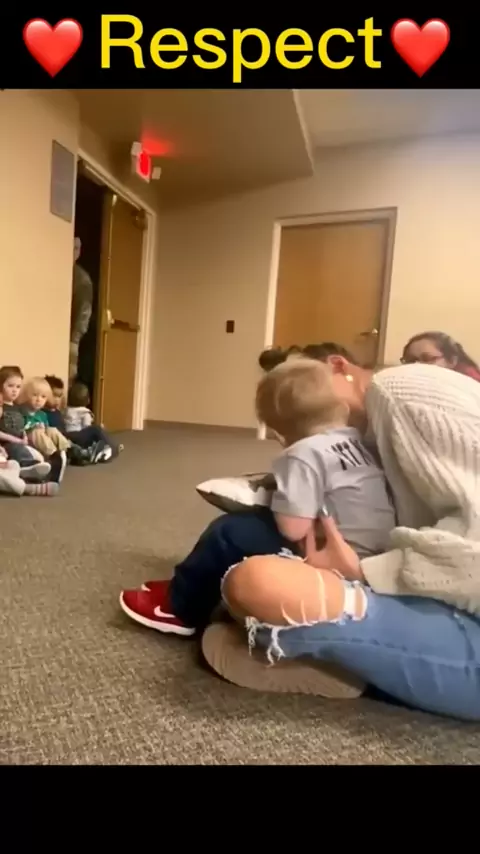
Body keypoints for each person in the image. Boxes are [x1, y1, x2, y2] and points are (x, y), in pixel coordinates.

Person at [198, 355, 480, 722]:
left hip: (458, 604)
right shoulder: (366, 433)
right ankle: (346, 650)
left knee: (256, 582)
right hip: (430, 585)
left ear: (338, 367)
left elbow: (294, 527)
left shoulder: (398, 396)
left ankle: (325, 652)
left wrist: (368, 571)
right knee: (254, 557)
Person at [119, 358, 395, 637]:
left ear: (278, 434)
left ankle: (179, 608)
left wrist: (274, 499)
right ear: (343, 409)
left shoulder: (301, 454)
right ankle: (190, 585)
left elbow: (293, 528)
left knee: (229, 532)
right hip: (375, 556)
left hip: (333, 557)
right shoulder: (357, 441)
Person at [0, 366, 51, 481]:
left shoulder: (18, 407)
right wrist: (17, 440)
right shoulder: (1, 407)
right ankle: (27, 467)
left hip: (21, 443)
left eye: (18, 387)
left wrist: (26, 434)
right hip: (7, 444)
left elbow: (22, 426)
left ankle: (39, 469)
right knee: (17, 449)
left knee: (38, 457)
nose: (15, 390)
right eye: (10, 386)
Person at [21, 378, 70, 472]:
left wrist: (43, 428)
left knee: (52, 430)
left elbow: (46, 430)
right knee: (37, 432)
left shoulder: (42, 414)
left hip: (42, 440)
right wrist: (34, 427)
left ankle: (67, 448)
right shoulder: (22, 411)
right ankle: (53, 455)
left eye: (43, 397)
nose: (38, 400)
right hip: (29, 439)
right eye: (35, 395)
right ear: (27, 395)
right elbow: (21, 429)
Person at [65, 382, 121, 461]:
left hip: (69, 436)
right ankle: (112, 447)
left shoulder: (67, 410)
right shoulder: (85, 413)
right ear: (88, 400)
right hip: (79, 436)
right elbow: (86, 426)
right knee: (96, 429)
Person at [401, 331, 480, 382]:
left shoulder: (471, 382)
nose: (417, 365)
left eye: (427, 359)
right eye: (410, 360)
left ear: (451, 361)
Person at [70, 237, 93, 383]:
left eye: (76, 248)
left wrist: (74, 340)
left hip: (72, 337)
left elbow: (84, 311)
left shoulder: (81, 279)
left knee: (69, 374)